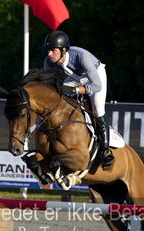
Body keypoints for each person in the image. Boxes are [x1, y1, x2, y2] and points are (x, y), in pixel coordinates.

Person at [43, 30, 113, 168]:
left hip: (94, 75)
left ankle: (105, 151)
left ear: (63, 50)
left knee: (97, 108)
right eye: (48, 50)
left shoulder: (81, 57)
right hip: (75, 77)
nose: (49, 54)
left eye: (53, 51)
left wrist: (74, 90)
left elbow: (96, 86)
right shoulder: (48, 62)